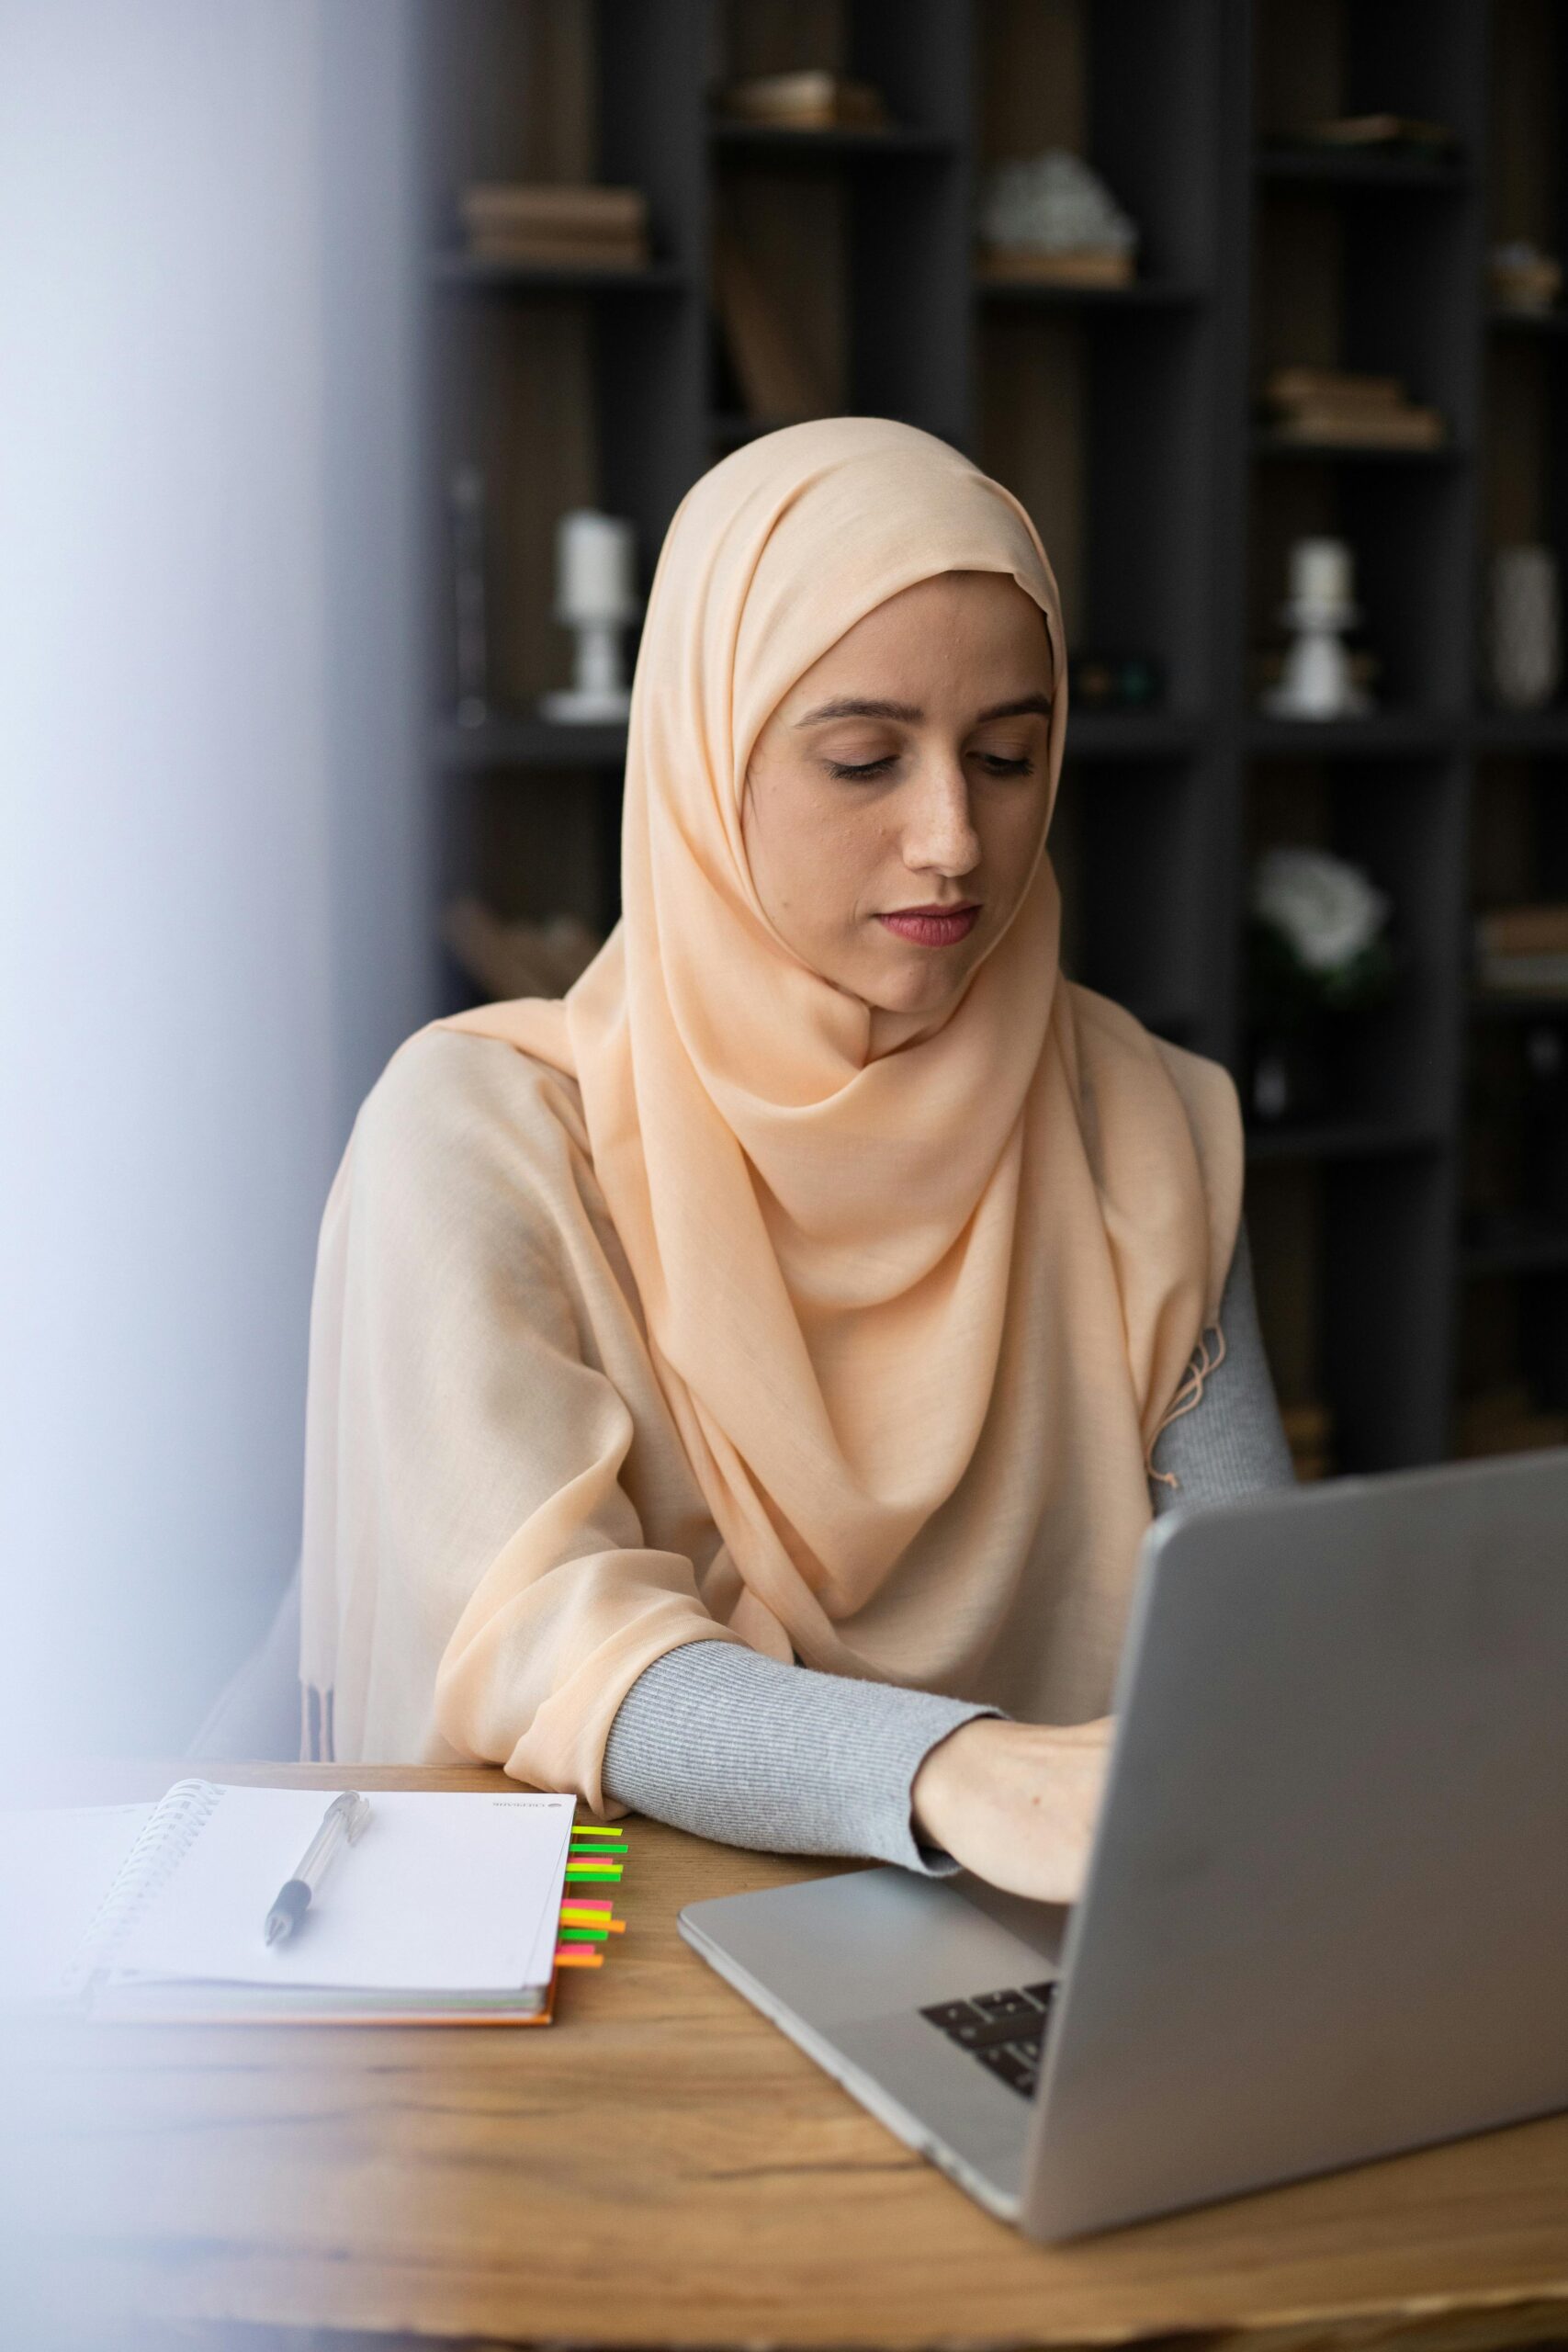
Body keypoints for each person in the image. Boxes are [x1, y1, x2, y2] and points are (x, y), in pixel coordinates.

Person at [299, 418, 1292, 1904]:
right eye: (863, 760)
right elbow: (540, 1642)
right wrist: (954, 1772)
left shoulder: (1137, 1115)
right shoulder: (481, 1137)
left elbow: (1265, 1630)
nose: (953, 837)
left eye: (1010, 757)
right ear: (704, 757)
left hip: (1043, 1957)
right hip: (617, 1969)